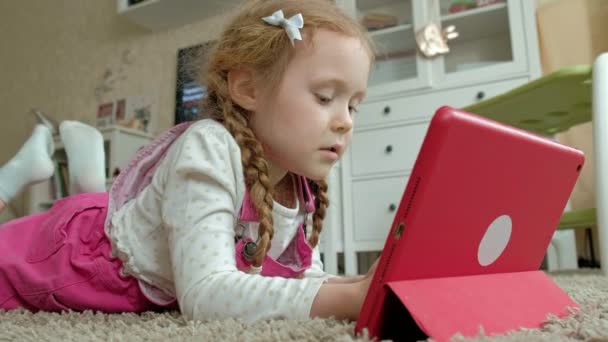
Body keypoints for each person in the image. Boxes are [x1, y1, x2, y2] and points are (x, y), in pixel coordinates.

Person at [0, 0, 377, 323]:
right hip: (73, 257)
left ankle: (85, 181)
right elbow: (206, 293)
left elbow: (301, 280)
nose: (345, 120)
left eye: (353, 105)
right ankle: (18, 175)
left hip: (128, 229)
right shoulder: (209, 146)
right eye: (325, 97)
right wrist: (348, 300)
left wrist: (363, 287)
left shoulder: (298, 182)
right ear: (248, 89)